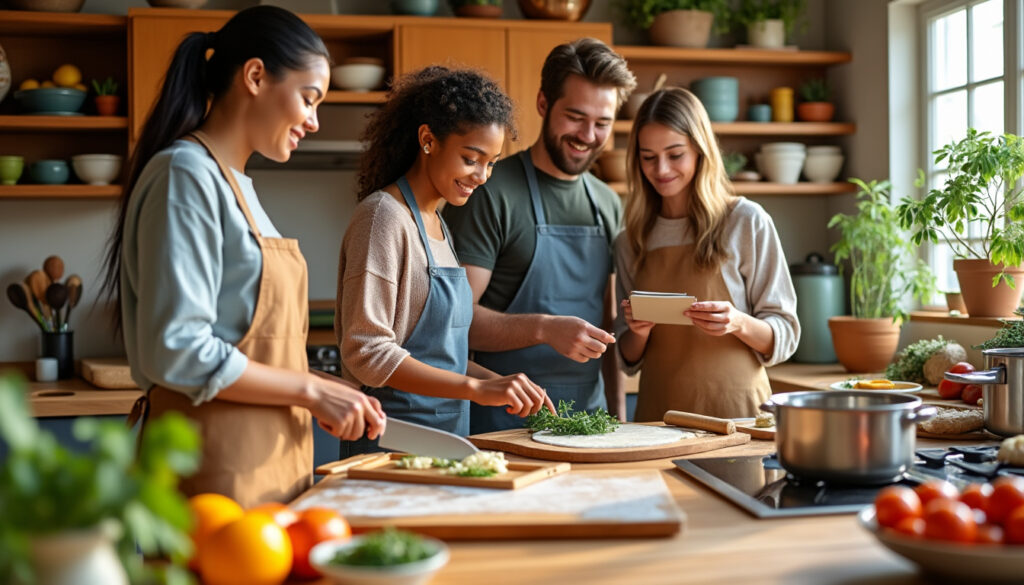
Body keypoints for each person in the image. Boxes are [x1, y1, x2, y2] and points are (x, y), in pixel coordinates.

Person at [104, 5, 386, 507]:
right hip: (210, 466)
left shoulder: (237, 185)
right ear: (255, 76)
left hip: (268, 464)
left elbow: (248, 347)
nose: (315, 121)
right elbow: (179, 348)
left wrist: (319, 386)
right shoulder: (185, 175)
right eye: (308, 98)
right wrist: (309, 391)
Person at [336, 66, 554, 455]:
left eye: (492, 162)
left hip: (446, 445)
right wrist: (477, 389)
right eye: (471, 158)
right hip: (390, 448)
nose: (482, 175)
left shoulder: (438, 224)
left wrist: (501, 383)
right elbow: (367, 351)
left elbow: (442, 357)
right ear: (427, 140)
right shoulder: (384, 218)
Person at [443, 38, 637, 433]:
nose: (588, 134)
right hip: (506, 421)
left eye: (602, 123)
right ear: (544, 104)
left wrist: (619, 419)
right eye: (575, 117)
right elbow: (454, 321)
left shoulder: (607, 202)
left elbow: (605, 321)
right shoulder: (490, 192)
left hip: (590, 421)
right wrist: (546, 329)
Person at [615, 88, 800, 420]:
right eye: (648, 156)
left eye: (675, 154)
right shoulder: (630, 241)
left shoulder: (746, 221)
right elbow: (627, 358)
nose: (661, 169)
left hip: (738, 417)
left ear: (701, 151)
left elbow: (785, 332)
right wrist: (639, 331)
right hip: (659, 419)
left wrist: (738, 322)